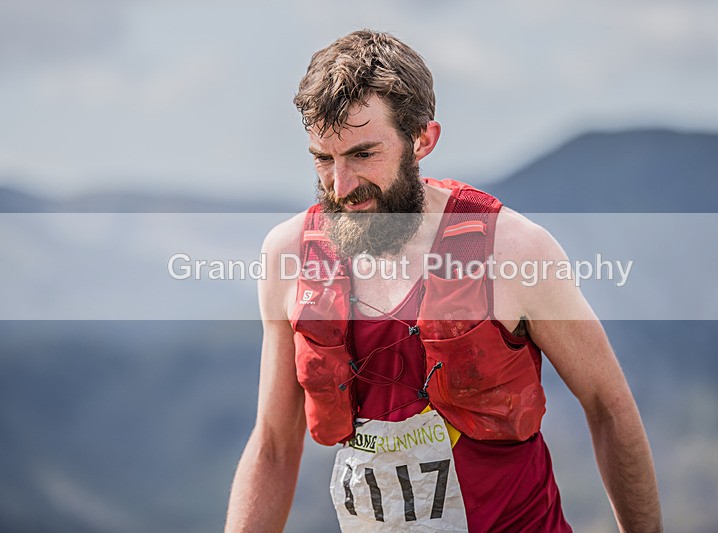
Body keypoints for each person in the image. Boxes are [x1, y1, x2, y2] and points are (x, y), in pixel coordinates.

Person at [225, 30, 662, 532]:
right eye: (324, 158)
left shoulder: (513, 250)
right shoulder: (289, 255)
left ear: (422, 140)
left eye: (363, 155)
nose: (340, 187)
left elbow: (608, 406)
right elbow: (275, 445)